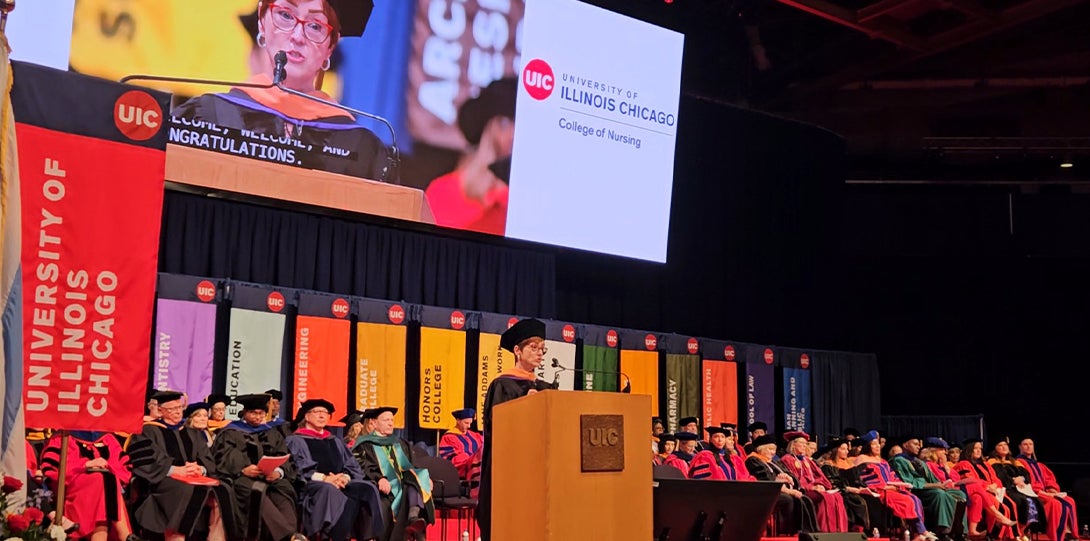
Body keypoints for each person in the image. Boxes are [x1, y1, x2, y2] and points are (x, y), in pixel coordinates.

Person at [171, 0, 389, 180]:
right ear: (262, 22)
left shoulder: (359, 148)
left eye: (315, 26)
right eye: (285, 15)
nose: (297, 36)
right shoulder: (208, 116)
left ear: (331, 47)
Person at [477, 318, 556, 541]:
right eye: (533, 347)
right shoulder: (503, 385)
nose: (540, 353)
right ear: (517, 351)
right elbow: (498, 427)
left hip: (540, 466)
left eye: (542, 348)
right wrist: (524, 406)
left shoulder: (545, 388)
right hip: (511, 467)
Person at [126, 390, 232, 541]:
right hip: (164, 479)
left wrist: (200, 469)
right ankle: (176, 538)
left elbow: (206, 457)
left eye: (179, 407)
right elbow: (146, 461)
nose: (177, 412)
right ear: (161, 410)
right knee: (184, 490)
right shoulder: (148, 431)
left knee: (222, 490)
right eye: (172, 409)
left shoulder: (192, 432)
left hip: (195, 477)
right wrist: (175, 470)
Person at [424, 77, 516, 235]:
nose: (513, 134)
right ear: (491, 129)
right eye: (505, 123)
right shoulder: (443, 192)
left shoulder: (525, 201)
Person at [285, 398, 384, 541]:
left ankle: (368, 537)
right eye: (317, 412)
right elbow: (298, 468)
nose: (322, 416)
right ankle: (327, 536)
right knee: (330, 490)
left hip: (340, 481)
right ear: (306, 416)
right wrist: (326, 479)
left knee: (367, 488)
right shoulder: (296, 440)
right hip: (313, 485)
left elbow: (352, 465)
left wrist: (345, 477)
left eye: (325, 413)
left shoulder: (335, 440)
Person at [211, 393, 300, 541]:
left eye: (261, 413)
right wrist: (243, 468)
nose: (258, 417)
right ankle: (289, 536)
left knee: (284, 490)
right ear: (244, 413)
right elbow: (225, 456)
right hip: (243, 478)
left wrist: (278, 472)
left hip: (271, 477)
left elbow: (284, 455)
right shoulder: (231, 432)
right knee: (257, 490)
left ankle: (291, 534)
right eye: (253, 413)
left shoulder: (271, 432)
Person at [351, 407, 434, 541]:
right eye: (386, 420)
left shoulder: (400, 443)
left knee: (418, 479)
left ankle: (414, 517)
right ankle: (412, 522)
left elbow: (411, 466)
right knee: (401, 493)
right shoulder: (364, 444)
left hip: (404, 485)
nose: (391, 423)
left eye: (392, 420)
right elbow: (362, 467)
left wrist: (424, 479)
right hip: (383, 489)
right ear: (374, 423)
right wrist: (379, 478)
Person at [40, 430, 139, 541]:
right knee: (100, 479)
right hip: (74, 490)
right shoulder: (62, 437)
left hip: (106, 488)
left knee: (105, 478)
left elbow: (125, 470)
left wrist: (106, 465)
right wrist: (85, 465)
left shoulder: (107, 438)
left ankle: (111, 536)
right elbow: (52, 471)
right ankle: (124, 535)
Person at [854, 431, 932, 541]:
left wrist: (901, 485)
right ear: (868, 446)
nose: (877, 446)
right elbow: (865, 481)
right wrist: (885, 487)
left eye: (878, 443)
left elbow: (893, 477)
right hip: (879, 491)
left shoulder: (882, 461)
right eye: (874, 444)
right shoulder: (862, 459)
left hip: (892, 489)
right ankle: (921, 532)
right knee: (907, 501)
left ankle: (917, 533)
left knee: (915, 499)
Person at [889, 436, 968, 540]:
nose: (918, 447)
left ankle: (959, 531)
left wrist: (941, 484)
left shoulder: (918, 461)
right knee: (939, 493)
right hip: (914, 491)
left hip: (928, 489)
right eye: (915, 444)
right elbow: (909, 482)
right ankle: (942, 531)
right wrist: (936, 485)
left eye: (919, 445)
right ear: (905, 445)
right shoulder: (899, 460)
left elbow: (932, 479)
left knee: (960, 494)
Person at [746, 434, 819, 535]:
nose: (773, 452)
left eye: (774, 450)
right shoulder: (753, 460)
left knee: (805, 499)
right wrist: (788, 489)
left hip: (780, 490)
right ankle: (787, 532)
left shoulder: (773, 461)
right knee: (789, 499)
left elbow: (789, 474)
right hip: (765, 492)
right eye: (770, 449)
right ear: (760, 449)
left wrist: (790, 479)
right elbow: (765, 480)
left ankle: (812, 532)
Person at [953, 438, 1021, 540]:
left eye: (980, 448)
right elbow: (969, 479)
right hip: (975, 490)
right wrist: (987, 486)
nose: (978, 451)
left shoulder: (985, 464)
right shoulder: (964, 464)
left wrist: (994, 485)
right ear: (969, 450)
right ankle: (996, 534)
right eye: (975, 448)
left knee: (1011, 504)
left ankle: (1012, 535)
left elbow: (996, 479)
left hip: (992, 491)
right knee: (1000, 506)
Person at [781, 431, 849, 532]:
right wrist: (812, 487)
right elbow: (795, 479)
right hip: (802, 490)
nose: (804, 446)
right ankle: (824, 530)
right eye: (801, 443)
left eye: (805, 444)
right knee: (824, 497)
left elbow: (820, 476)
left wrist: (820, 485)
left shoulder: (808, 460)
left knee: (837, 496)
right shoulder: (787, 459)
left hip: (815, 488)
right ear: (793, 444)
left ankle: (838, 531)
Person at [1016, 438, 1079, 541]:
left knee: (1069, 501)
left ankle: (1071, 534)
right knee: (1056, 504)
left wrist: (1052, 489)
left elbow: (1049, 479)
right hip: (1033, 493)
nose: (1028, 446)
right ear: (1020, 447)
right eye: (1025, 444)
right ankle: (1056, 536)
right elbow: (1026, 481)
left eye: (1031, 444)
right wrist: (1042, 492)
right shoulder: (1019, 463)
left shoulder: (1039, 464)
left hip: (1046, 492)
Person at [817, 438, 878, 533]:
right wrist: (849, 489)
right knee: (859, 501)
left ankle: (873, 531)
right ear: (836, 450)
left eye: (847, 449)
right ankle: (857, 530)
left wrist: (862, 487)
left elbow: (858, 480)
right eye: (843, 449)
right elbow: (833, 483)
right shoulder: (829, 465)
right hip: (843, 492)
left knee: (873, 499)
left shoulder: (850, 464)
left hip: (856, 491)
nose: (847, 451)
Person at [989, 437, 1042, 541]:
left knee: (1035, 501)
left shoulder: (1014, 461)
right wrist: (1013, 480)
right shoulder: (992, 462)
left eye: (1005, 445)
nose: (1004, 447)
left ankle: (1024, 530)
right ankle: (1017, 533)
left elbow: (1026, 475)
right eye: (1000, 445)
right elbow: (1000, 477)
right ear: (995, 449)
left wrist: (1021, 478)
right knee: (1021, 501)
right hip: (1006, 489)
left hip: (1021, 489)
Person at [438, 408, 484, 495]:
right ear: (458, 421)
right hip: (461, 471)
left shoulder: (475, 435)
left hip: (477, 469)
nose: (469, 426)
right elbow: (452, 460)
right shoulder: (449, 437)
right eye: (466, 423)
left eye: (470, 423)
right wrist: (473, 459)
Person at [689, 426, 755, 481]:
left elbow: (745, 478)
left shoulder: (734, 459)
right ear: (711, 439)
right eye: (716, 436)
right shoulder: (704, 457)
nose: (720, 440)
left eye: (722, 437)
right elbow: (703, 480)